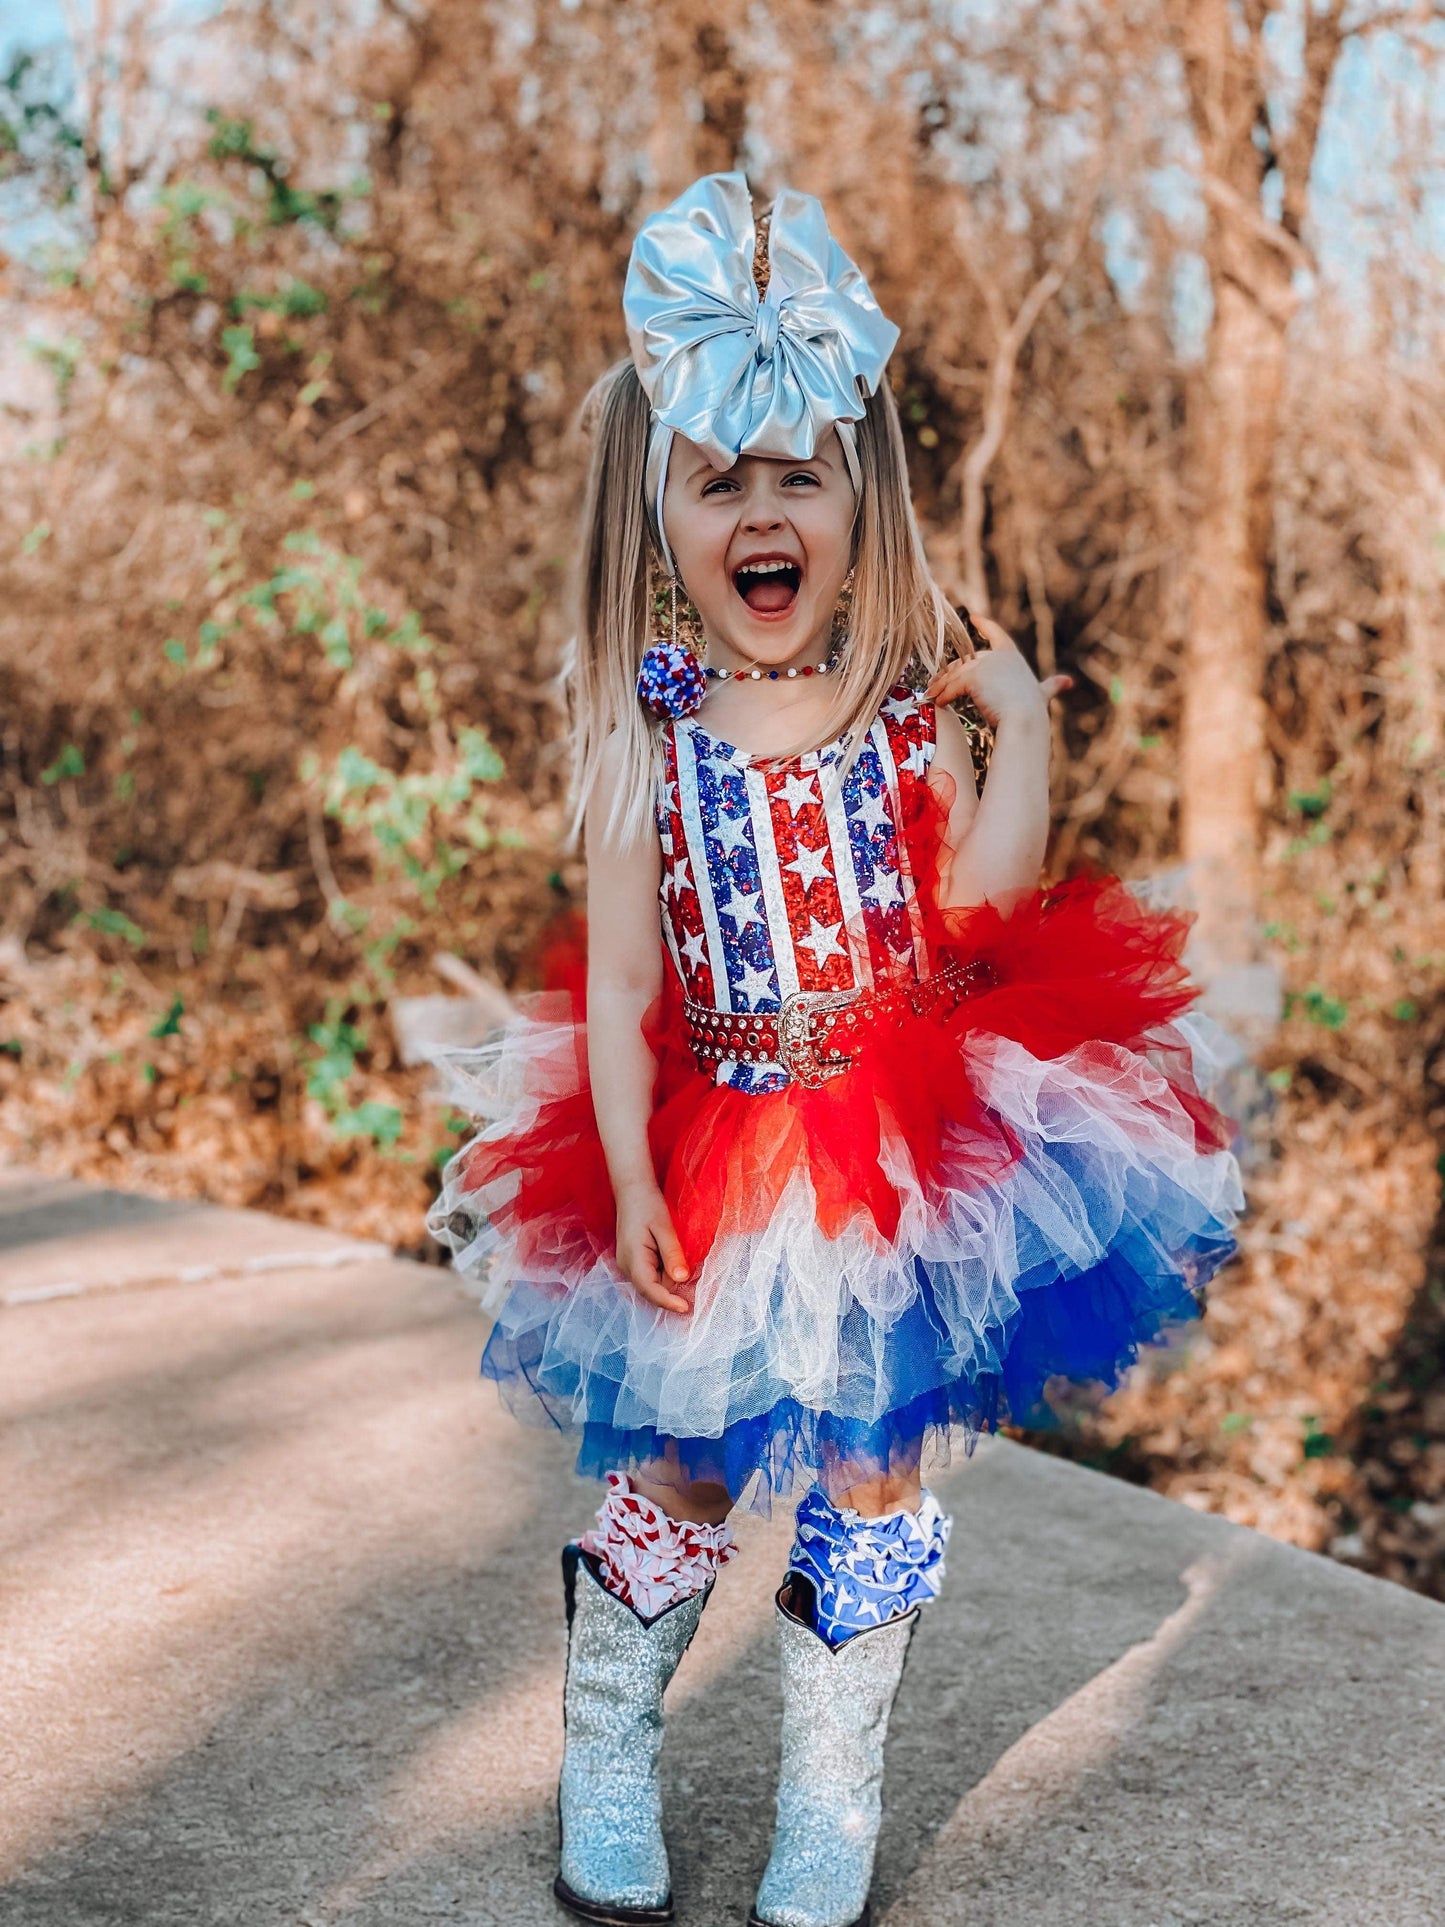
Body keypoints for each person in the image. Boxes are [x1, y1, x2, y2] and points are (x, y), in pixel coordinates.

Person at [430, 172, 1244, 1927]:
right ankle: (606, 1747)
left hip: (885, 1134)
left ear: (859, 502)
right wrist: (636, 1170)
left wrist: (1013, 722)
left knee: (870, 1462)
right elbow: (623, 987)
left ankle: (830, 1796)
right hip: (714, 1135)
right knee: (687, 1460)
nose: (762, 510)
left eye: (799, 471)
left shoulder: (894, 720)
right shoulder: (651, 733)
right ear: (663, 512)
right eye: (721, 479)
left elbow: (976, 917)